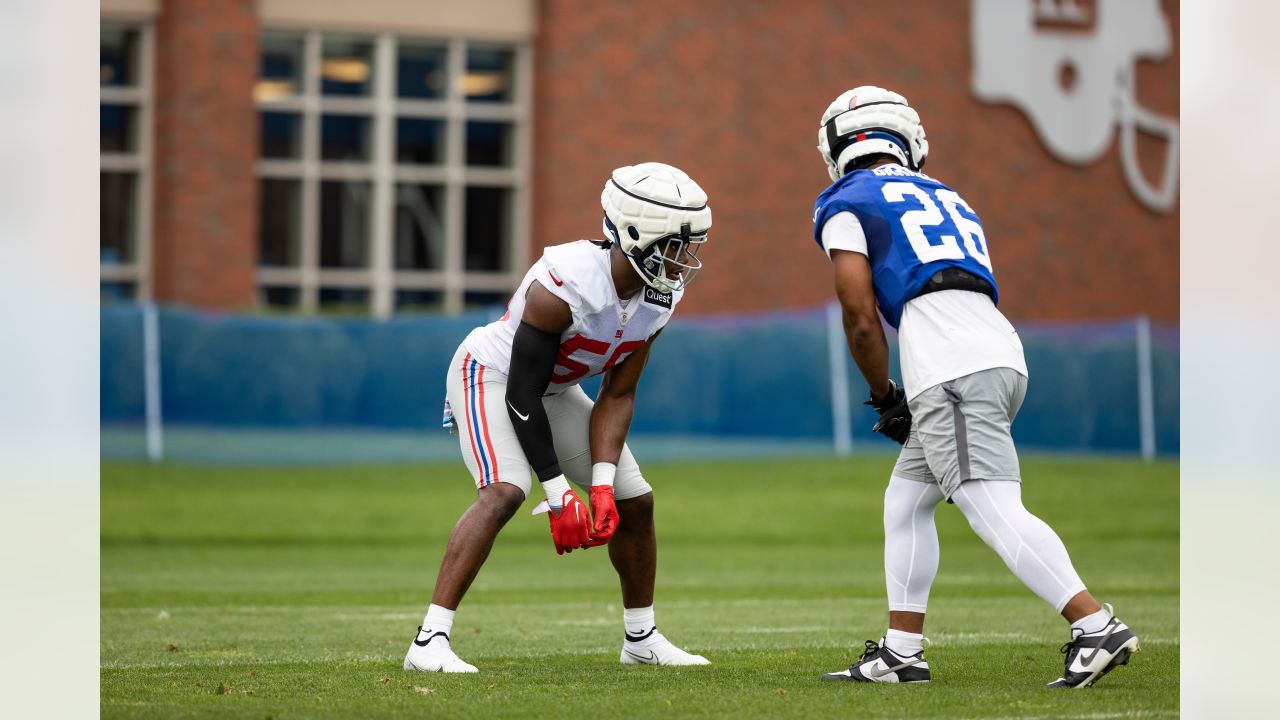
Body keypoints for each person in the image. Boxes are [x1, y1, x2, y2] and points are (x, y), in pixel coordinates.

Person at [810, 86, 1139, 689]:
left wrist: (885, 394)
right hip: (993, 352)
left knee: (990, 506)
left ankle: (1093, 624)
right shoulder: (947, 194)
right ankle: (901, 651)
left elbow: (858, 312)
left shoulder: (845, 198)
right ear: (907, 141)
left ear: (837, 147)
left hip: (951, 368)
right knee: (906, 503)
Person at [404, 162, 713, 673]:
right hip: (492, 377)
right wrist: (557, 492)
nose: (684, 260)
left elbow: (618, 394)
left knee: (635, 502)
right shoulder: (565, 282)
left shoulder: (661, 296)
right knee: (506, 489)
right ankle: (428, 641)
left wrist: (601, 485)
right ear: (637, 235)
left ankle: (641, 639)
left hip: (554, 388)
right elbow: (522, 394)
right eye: (676, 245)